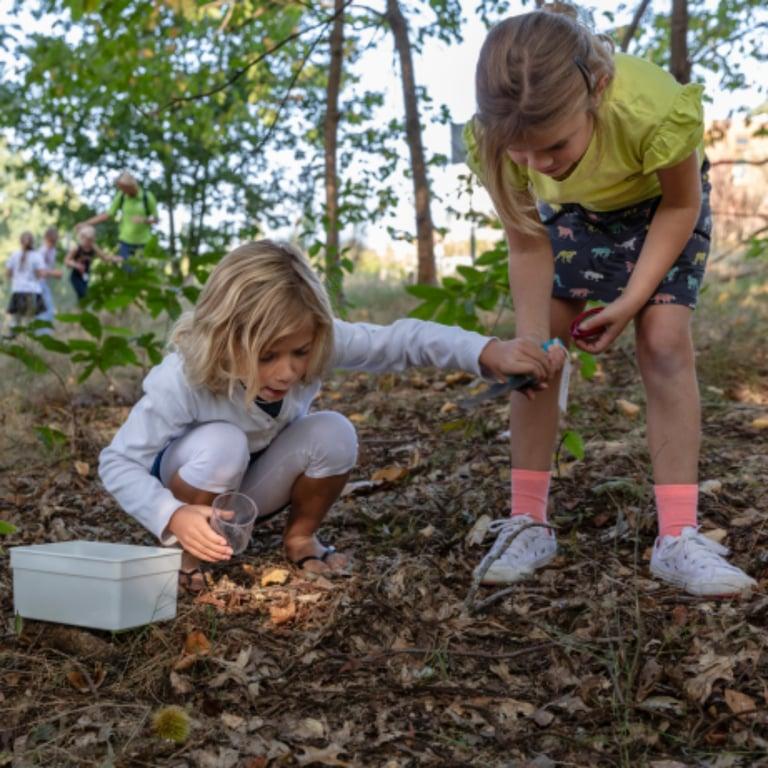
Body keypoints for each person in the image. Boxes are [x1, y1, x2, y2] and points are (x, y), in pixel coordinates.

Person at [465, 4, 755, 596]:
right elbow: (527, 243)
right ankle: (529, 520)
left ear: (596, 90)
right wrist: (532, 341)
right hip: (572, 220)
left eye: (551, 146)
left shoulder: (651, 108)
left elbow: (680, 206)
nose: (537, 164)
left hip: (660, 209)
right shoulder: (500, 141)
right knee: (536, 355)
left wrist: (630, 300)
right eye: (521, 153)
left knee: (664, 341)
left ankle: (678, 537)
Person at [99, 239, 565, 591]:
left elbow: (402, 341)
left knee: (334, 433)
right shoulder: (182, 378)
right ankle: (187, 557)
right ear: (226, 339)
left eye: (299, 352)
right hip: (194, 478)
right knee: (224, 443)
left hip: (250, 489)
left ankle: (301, 540)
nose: (287, 372)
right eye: (267, 357)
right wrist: (172, 514)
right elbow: (117, 462)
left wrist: (487, 352)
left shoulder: (315, 340)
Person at [78, 171, 158, 260]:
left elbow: (156, 219)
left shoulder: (147, 197)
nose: (122, 190)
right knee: (126, 271)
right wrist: (86, 223)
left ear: (131, 186)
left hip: (143, 242)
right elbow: (108, 214)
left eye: (124, 188)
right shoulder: (122, 196)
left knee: (143, 271)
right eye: (120, 188)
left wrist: (144, 220)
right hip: (125, 243)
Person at [5, 232, 60, 336]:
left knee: (16, 319)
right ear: (33, 242)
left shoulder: (14, 255)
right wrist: (52, 273)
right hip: (33, 291)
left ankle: (11, 339)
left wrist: (17, 276)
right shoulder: (37, 256)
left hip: (18, 290)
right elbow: (41, 274)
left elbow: (7, 273)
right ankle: (31, 341)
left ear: (20, 242)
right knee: (32, 319)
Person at [64, 225, 119, 300]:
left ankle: (81, 309)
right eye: (87, 240)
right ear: (82, 238)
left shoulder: (93, 247)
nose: (88, 242)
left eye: (91, 240)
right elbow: (66, 261)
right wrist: (76, 265)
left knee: (83, 298)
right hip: (75, 275)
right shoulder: (76, 248)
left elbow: (104, 257)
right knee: (83, 294)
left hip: (86, 275)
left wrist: (115, 258)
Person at [36, 226, 61, 327]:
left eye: (54, 242)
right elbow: (38, 271)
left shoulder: (53, 251)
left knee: (47, 311)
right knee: (46, 312)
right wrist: (53, 273)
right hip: (38, 284)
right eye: (51, 241)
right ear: (46, 239)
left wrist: (54, 273)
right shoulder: (41, 251)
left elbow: (47, 269)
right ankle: (43, 334)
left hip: (44, 284)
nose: (52, 244)